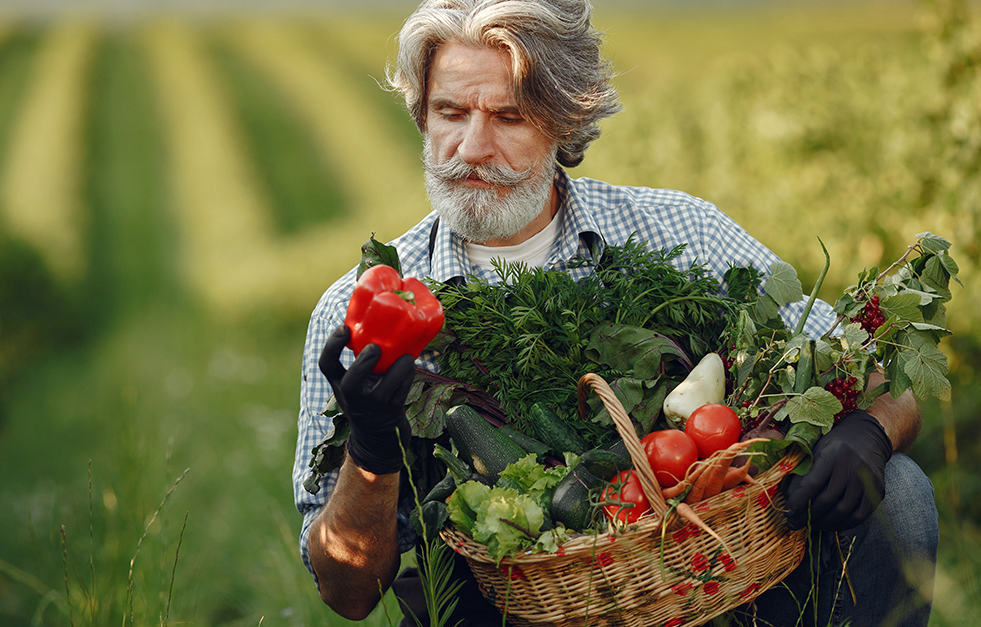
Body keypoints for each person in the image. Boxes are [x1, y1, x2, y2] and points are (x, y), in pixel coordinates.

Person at [292, 0, 939, 625]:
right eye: (450, 112)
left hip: (720, 586)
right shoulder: (361, 309)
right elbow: (347, 590)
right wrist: (371, 451)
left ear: (564, 120)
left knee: (901, 490)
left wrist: (871, 430)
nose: (473, 147)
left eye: (509, 117)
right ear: (422, 116)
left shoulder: (681, 234)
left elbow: (881, 377)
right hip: (505, 609)